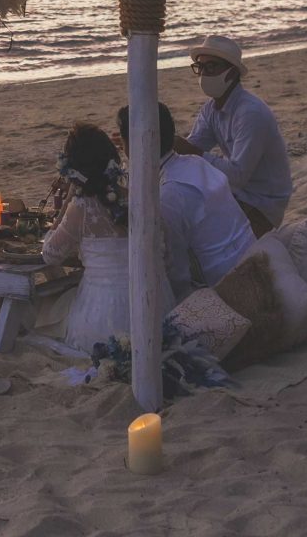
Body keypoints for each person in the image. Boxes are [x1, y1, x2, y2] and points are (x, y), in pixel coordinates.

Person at [117, 101, 256, 302]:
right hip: (248, 258)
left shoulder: (169, 194)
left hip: (221, 284)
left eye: (123, 141)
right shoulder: (195, 162)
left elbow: (177, 272)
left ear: (132, 144)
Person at [179, 34, 292, 232]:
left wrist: (193, 153)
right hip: (236, 195)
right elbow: (192, 147)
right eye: (200, 67)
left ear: (231, 73)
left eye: (211, 67)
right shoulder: (211, 109)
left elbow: (238, 175)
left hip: (261, 206)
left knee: (192, 228)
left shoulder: (250, 113)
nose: (204, 74)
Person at [43, 123, 132, 353]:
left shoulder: (81, 208)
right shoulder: (133, 196)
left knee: (48, 311)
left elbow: (50, 255)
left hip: (102, 311)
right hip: (146, 302)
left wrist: (67, 202)